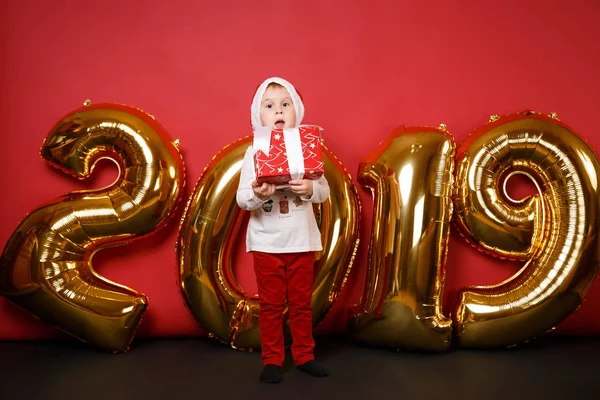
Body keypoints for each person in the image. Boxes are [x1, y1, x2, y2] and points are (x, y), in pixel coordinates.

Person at [236, 77, 330, 384]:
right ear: (258, 116)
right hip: (267, 243)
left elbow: (324, 191)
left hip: (302, 240)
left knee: (302, 303)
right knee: (271, 306)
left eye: (285, 104)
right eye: (270, 105)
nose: (279, 111)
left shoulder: (309, 148)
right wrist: (260, 195)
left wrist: (308, 188)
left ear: (297, 112)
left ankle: (304, 355)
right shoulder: (254, 152)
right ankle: (273, 360)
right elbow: (242, 199)